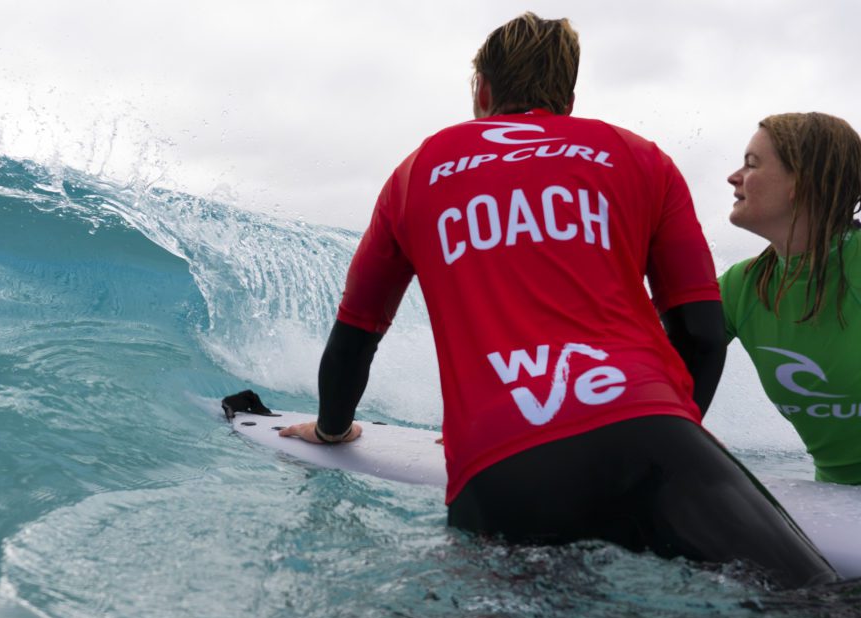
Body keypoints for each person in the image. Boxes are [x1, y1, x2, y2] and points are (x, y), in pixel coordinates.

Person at [279, 13, 836, 588]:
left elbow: (355, 336)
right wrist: (681, 430)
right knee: (814, 605)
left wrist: (331, 429)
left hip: (502, 461)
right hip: (651, 433)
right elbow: (700, 332)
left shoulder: (414, 173)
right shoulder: (639, 156)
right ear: (569, 97)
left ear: (483, 90)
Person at [721, 112, 861, 485]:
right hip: (838, 510)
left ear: (802, 181)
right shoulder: (742, 287)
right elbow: (647, 357)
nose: (734, 178)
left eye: (751, 164)